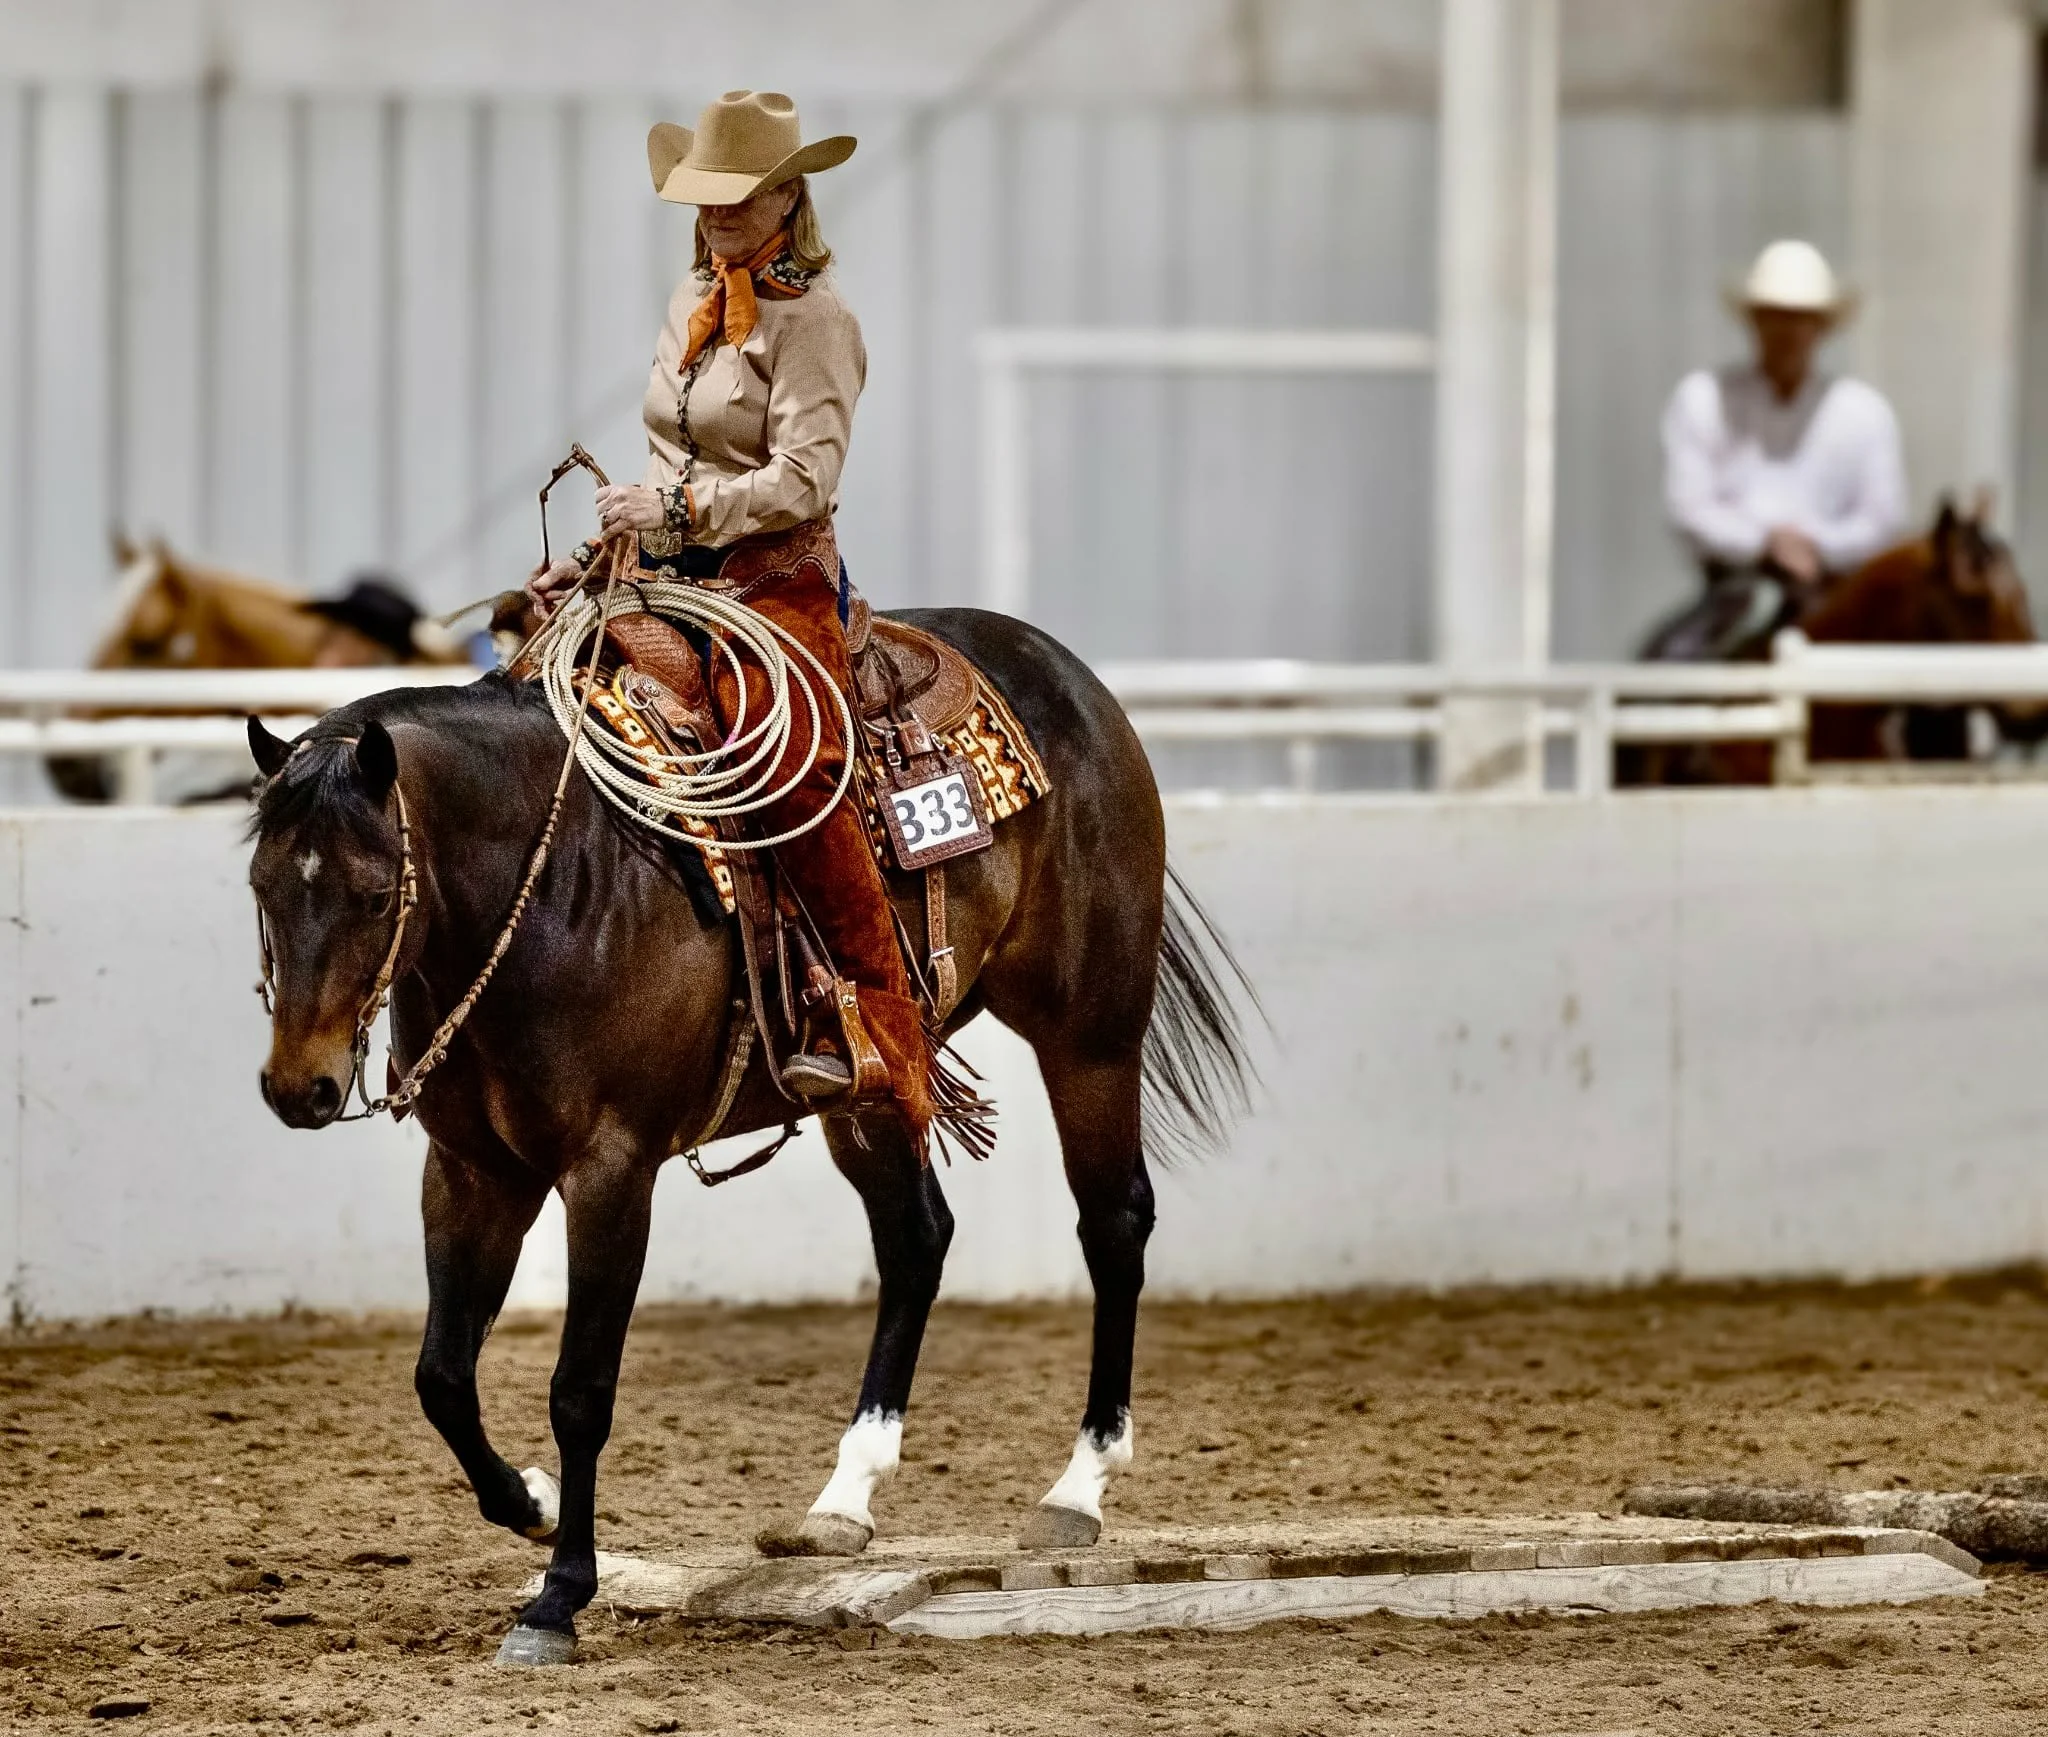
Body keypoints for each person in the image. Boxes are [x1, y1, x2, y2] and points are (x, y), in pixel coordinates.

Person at [526, 90, 933, 1140]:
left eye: (737, 198)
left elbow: (803, 477)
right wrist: (603, 550)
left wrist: (678, 508)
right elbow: (667, 448)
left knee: (786, 753)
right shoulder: (692, 299)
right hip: (675, 568)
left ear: (789, 196)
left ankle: (872, 1019)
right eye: (704, 198)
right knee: (535, 673)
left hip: (775, 581)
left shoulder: (816, 322)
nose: (713, 216)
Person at [1644, 239, 1908, 661]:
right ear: (1753, 321)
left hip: (1838, 593)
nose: (1787, 332)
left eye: (1800, 318)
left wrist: (1815, 545)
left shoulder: (1865, 412)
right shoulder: (1703, 399)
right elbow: (1688, 507)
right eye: (1774, 316)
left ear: (1822, 326)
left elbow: (1882, 519)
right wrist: (1765, 543)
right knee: (1665, 668)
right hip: (1734, 590)